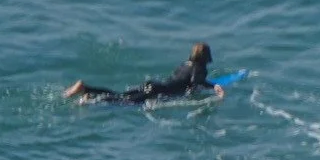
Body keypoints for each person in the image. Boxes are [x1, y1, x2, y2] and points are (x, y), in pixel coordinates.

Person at [65, 42, 220, 105]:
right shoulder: (200, 68)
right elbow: (194, 84)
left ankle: (86, 90)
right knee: (123, 102)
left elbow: (182, 79)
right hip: (158, 91)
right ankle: (89, 97)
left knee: (121, 95)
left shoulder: (184, 64)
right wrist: (213, 87)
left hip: (154, 85)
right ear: (205, 56)